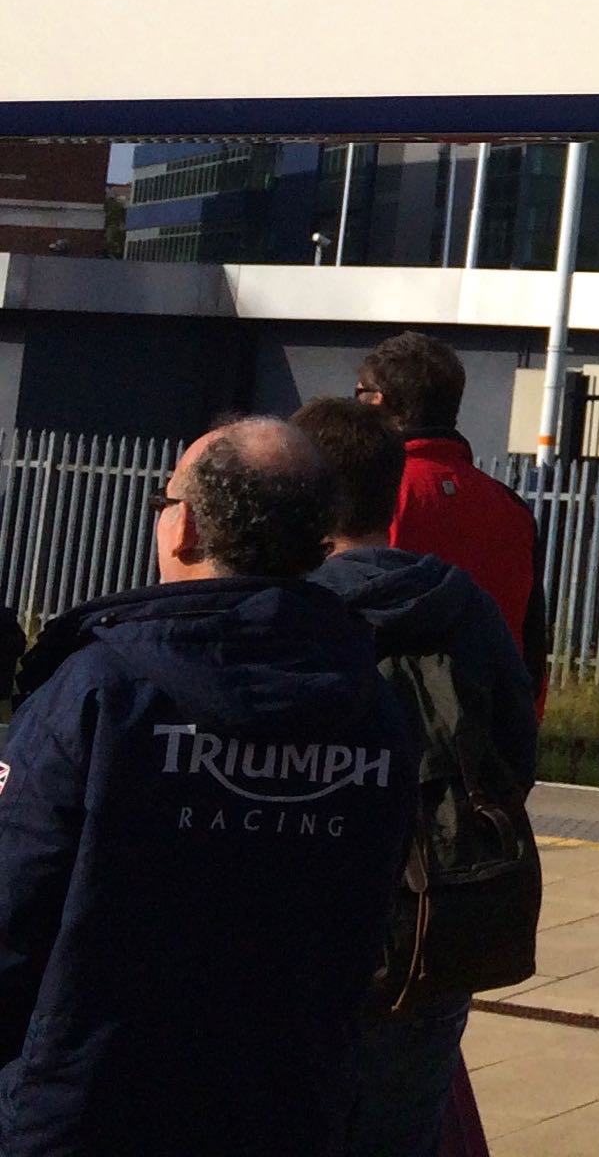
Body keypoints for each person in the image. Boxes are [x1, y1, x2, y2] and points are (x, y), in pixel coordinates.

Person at [0, 418, 418, 1154]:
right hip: (287, 1103)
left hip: (92, 1103)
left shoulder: (101, 689)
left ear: (186, 526)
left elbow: (14, 900)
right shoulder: (370, 702)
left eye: (163, 502)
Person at [293, 397, 540, 1157]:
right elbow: (515, 756)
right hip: (436, 923)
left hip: (305, 928)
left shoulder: (289, 612)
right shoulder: (462, 606)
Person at [354, 329, 544, 669]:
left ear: (376, 401)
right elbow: (532, 635)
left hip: (387, 695)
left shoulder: (372, 492)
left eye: (358, 392)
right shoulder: (512, 508)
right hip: (495, 695)